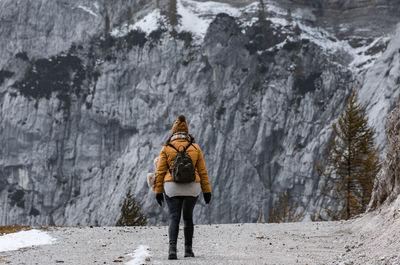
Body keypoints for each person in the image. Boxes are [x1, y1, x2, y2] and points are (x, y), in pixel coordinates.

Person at [154, 114, 212, 260]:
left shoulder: (167, 148)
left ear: (173, 132)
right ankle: (188, 250)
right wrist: (207, 191)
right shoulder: (195, 147)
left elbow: (160, 172)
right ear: (187, 132)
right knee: (188, 218)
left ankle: (172, 250)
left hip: (171, 187)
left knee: (174, 217)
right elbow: (203, 172)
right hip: (192, 187)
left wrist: (158, 192)